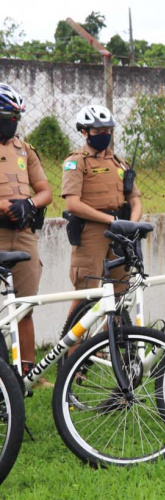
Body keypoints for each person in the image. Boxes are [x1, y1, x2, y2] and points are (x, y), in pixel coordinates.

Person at [62, 104, 142, 303]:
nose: (104, 135)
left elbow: (135, 199)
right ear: (84, 132)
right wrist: (110, 219)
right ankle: (75, 335)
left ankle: (116, 335)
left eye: (107, 131)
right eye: (98, 131)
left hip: (120, 234)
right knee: (85, 294)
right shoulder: (77, 161)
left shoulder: (119, 162)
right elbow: (72, 204)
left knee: (120, 294)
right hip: (91, 233)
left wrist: (130, 224)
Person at [0, 83, 52, 385]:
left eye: (16, 116)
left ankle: (28, 371)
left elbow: (45, 191)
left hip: (23, 235)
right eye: (8, 115)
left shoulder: (25, 150)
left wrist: (28, 204)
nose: (12, 122)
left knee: (25, 305)